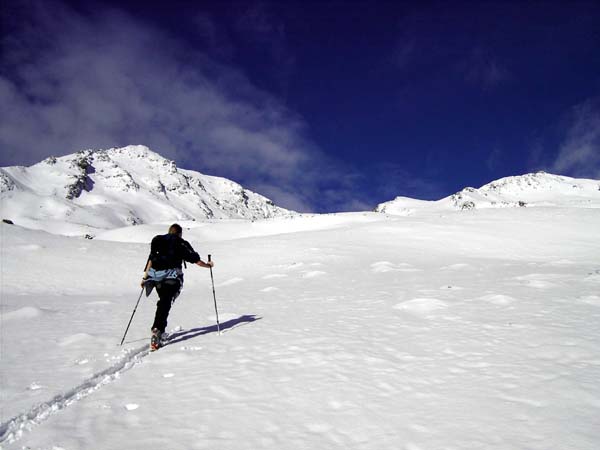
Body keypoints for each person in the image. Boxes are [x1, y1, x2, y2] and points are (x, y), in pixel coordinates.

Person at [141, 223, 214, 350]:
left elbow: (151, 259)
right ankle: (157, 330)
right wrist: (208, 265)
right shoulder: (181, 243)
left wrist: (144, 277)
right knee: (166, 301)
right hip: (173, 278)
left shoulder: (157, 240)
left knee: (163, 301)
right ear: (179, 233)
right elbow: (196, 260)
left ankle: (159, 330)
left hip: (156, 278)